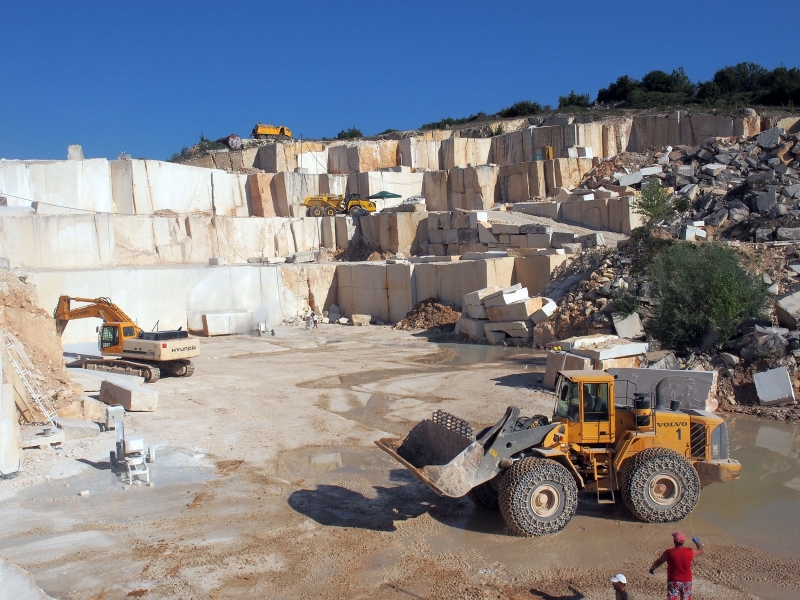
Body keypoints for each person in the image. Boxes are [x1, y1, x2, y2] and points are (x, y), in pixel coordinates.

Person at [649, 532, 703, 600]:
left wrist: (652, 568)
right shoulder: (690, 551)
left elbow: (659, 561)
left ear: (674, 541)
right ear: (683, 541)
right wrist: (697, 542)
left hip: (673, 580)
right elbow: (701, 550)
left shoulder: (669, 552)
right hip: (687, 581)